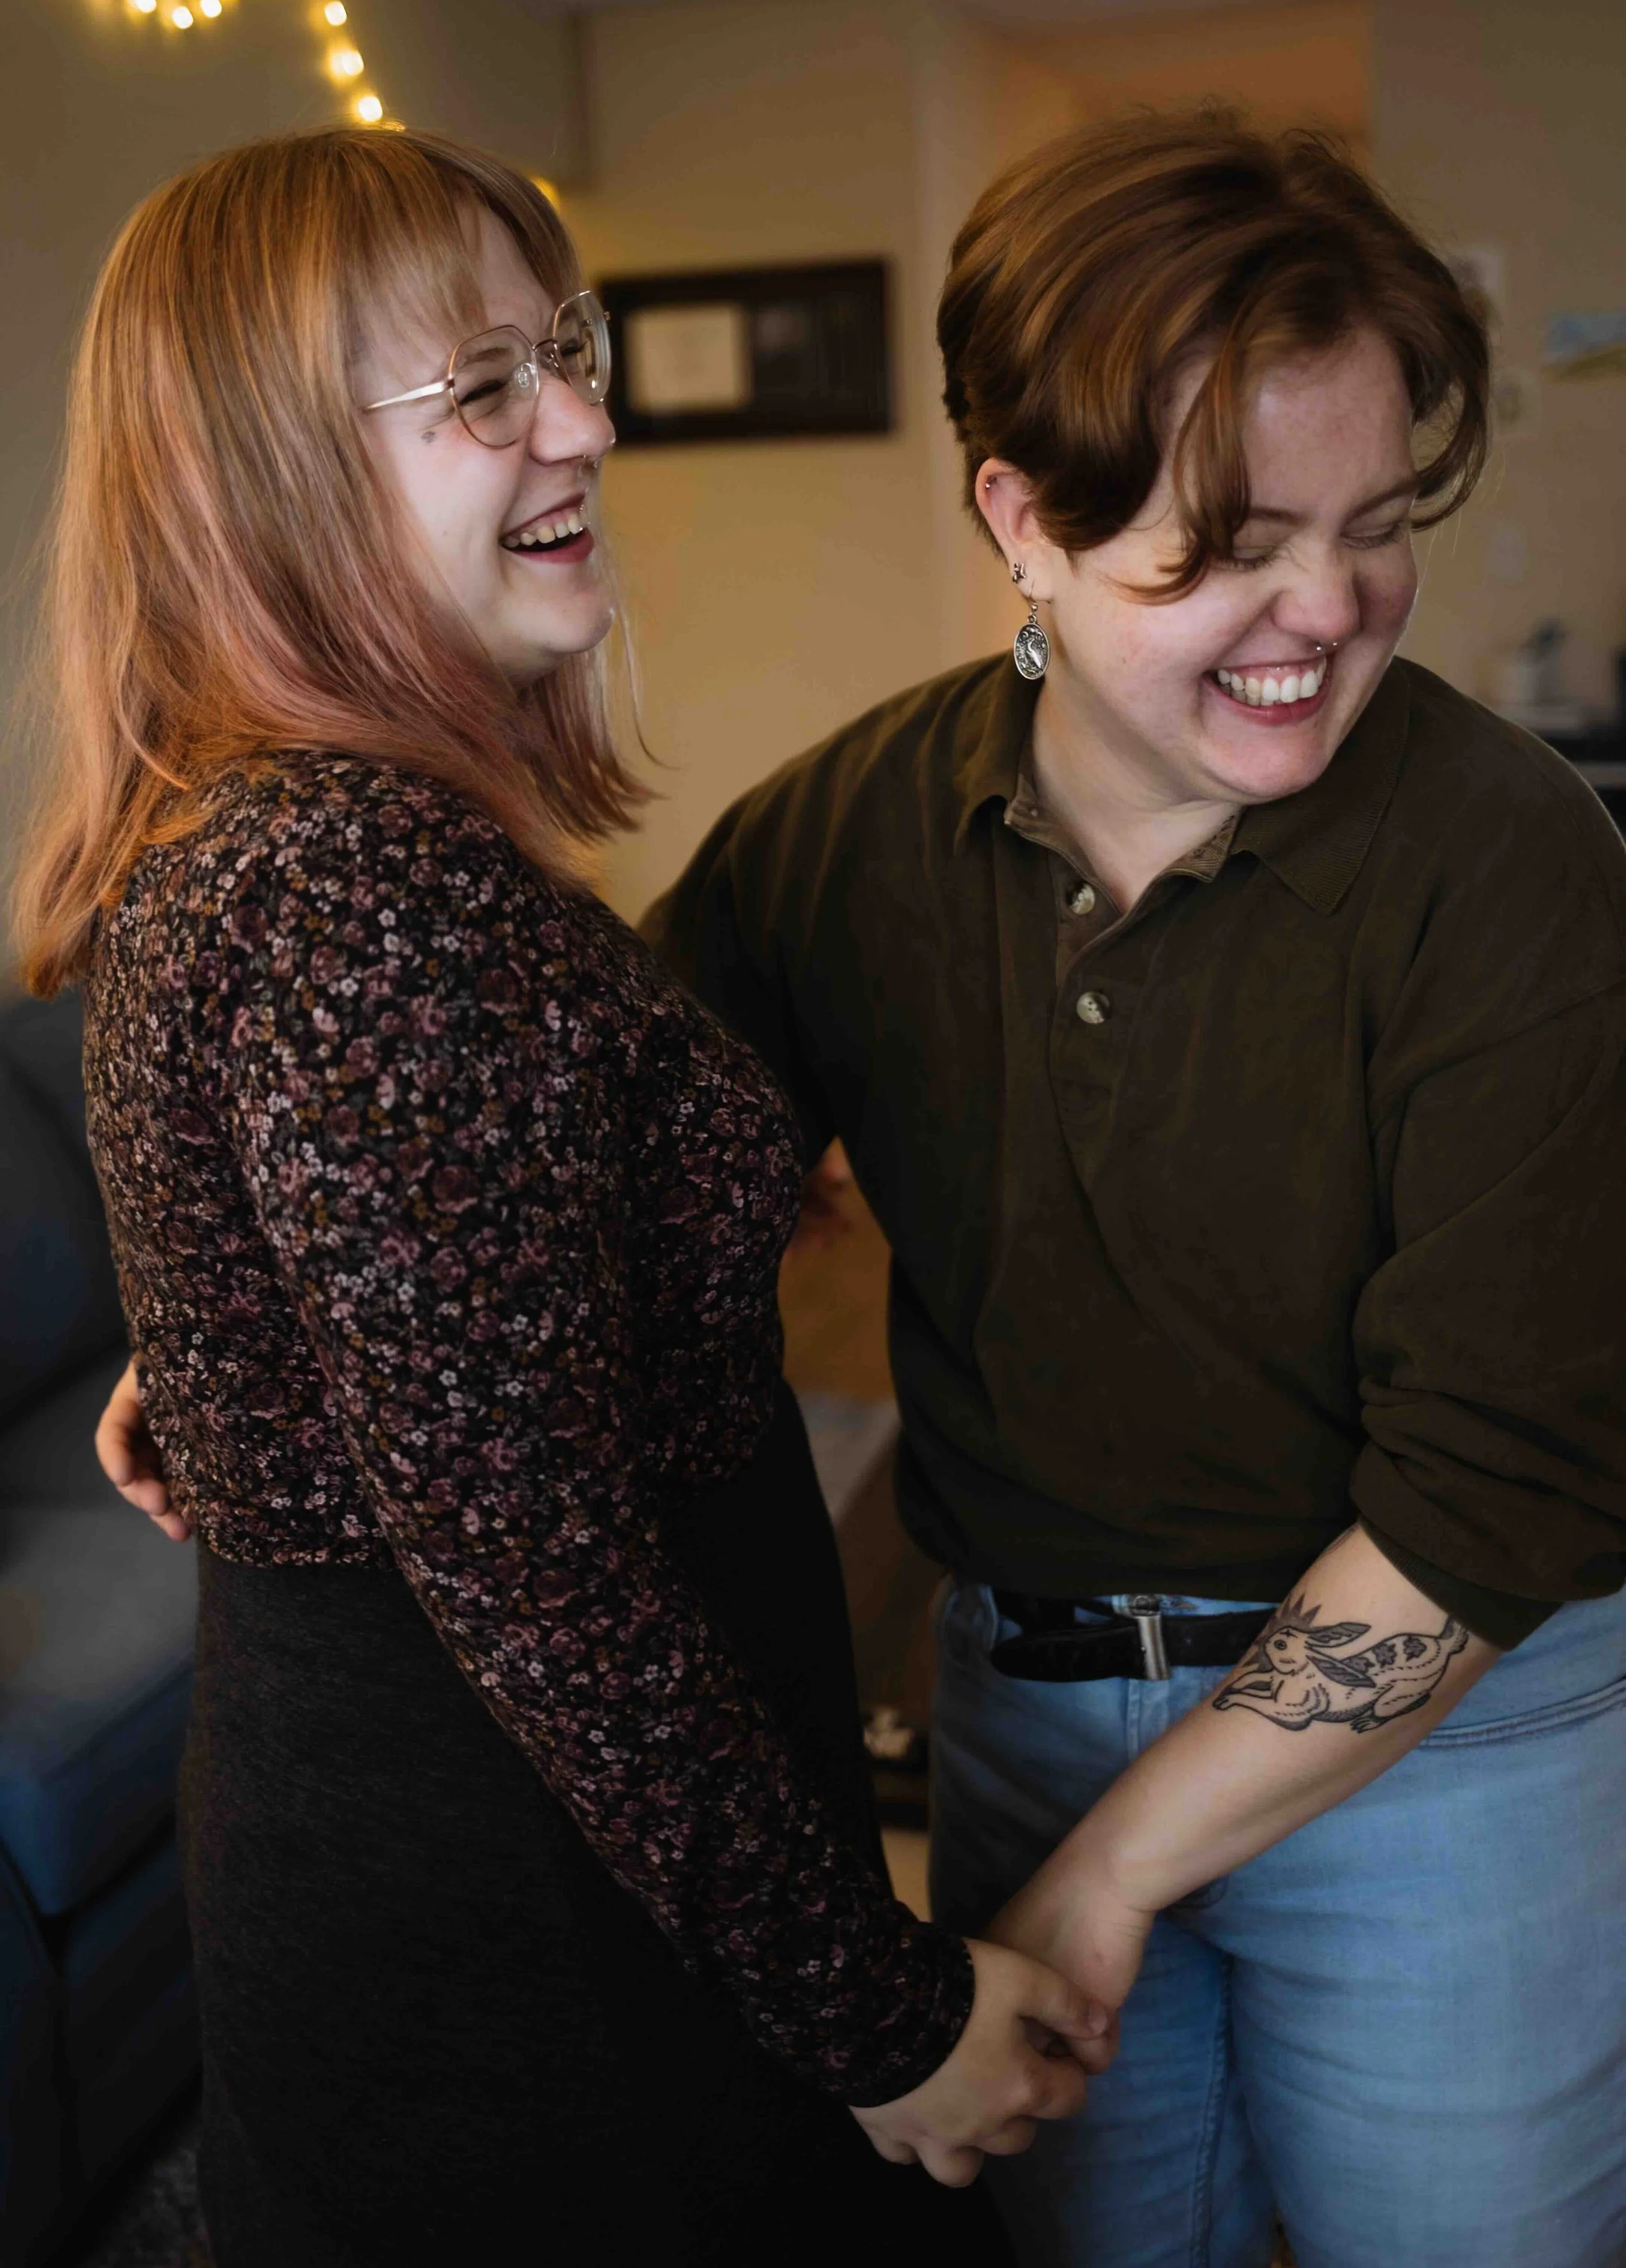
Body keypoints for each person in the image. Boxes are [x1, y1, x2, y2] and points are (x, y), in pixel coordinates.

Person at [18, 127, 1117, 2268]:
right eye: (485, 386)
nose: (587, 422)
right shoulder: (353, 882)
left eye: (569, 352)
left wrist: (247, 1345)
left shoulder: (270, 842)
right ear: (266, 471)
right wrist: (879, 2017)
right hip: (526, 1934)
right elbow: (544, 1583)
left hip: (460, 1877)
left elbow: (416, 1286)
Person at [623, 115, 1625, 2267]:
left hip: (1455, 1740)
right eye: (1235, 543)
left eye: (1375, 526)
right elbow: (565, 1164)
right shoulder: (838, 843)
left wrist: (1108, 1871)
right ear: (1020, 518)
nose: (1325, 609)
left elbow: (1497, 1480)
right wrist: (254, 1319)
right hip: (1026, 1699)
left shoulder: (1510, 856)